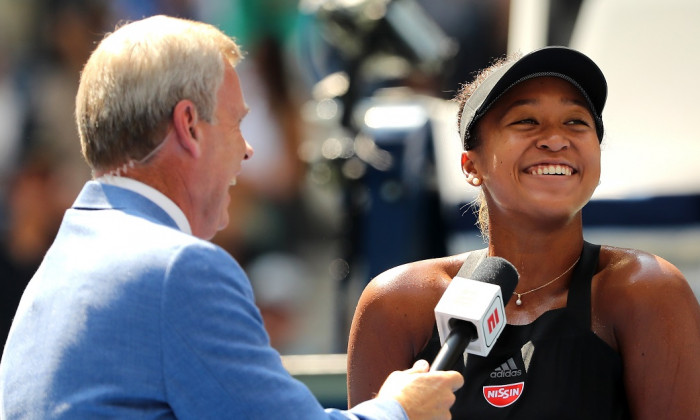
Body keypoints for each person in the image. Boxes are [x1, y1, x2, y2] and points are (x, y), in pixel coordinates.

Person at [0, 15, 463, 419]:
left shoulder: (56, 270)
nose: (247, 149)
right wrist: (402, 408)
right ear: (189, 126)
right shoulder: (177, 271)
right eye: (237, 123)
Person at [346, 46, 700, 419]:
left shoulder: (647, 289)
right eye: (526, 121)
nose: (555, 139)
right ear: (471, 165)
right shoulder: (397, 302)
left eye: (576, 122)